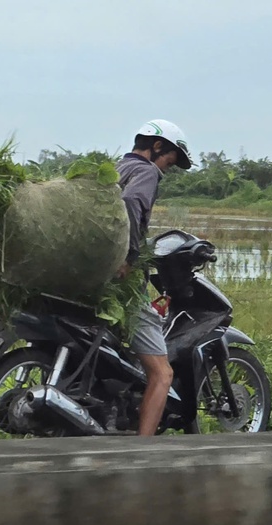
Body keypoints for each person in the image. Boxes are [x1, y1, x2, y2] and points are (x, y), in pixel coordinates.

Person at [115, 119, 193, 436]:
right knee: (162, 373)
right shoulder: (145, 171)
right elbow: (132, 203)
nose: (167, 168)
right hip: (120, 284)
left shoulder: (116, 168)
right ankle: (144, 453)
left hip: (89, 279)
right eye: (170, 159)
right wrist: (131, 259)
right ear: (157, 146)